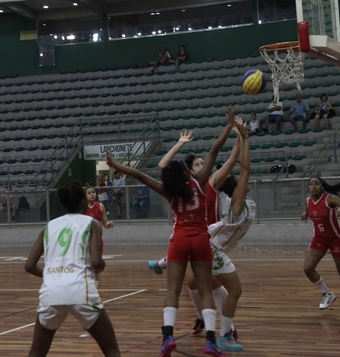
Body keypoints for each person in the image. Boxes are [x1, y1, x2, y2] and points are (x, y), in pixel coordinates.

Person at [106, 132, 225, 357]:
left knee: (173, 290)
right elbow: (214, 150)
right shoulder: (199, 182)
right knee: (206, 290)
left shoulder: (167, 190)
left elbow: (139, 175)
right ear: (186, 172)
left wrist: (114, 164)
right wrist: (229, 128)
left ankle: (167, 336)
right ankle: (210, 340)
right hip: (200, 239)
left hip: (179, 240)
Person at [24, 182, 120, 357]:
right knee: (111, 350)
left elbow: (29, 265)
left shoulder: (49, 226)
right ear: (84, 202)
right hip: (79, 290)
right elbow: (97, 263)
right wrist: (102, 265)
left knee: (36, 353)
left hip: (51, 291)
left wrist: (49, 275)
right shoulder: (92, 223)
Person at [207, 119, 253, 352]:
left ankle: (164, 262)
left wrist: (242, 137)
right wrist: (245, 138)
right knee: (235, 290)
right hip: (215, 251)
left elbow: (242, 169)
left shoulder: (239, 200)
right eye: (242, 183)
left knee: (210, 288)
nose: (247, 181)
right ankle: (224, 335)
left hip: (212, 247)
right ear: (237, 188)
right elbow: (244, 168)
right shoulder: (237, 202)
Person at [300, 178, 340, 310]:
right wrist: (305, 215)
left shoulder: (329, 199)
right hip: (319, 239)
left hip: (335, 239)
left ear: (322, 186)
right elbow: (309, 212)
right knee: (307, 268)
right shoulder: (308, 201)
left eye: (316, 184)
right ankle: (326, 293)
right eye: (311, 184)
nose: (313, 187)